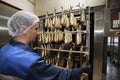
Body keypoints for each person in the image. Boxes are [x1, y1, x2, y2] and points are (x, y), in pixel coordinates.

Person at [0, 10, 91, 80]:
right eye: (36, 29)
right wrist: (81, 70)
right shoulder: (29, 60)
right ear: (23, 29)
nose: (38, 32)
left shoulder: (3, 50)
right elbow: (58, 77)